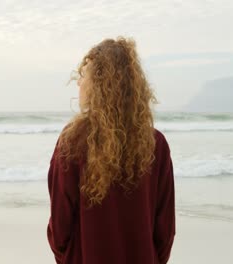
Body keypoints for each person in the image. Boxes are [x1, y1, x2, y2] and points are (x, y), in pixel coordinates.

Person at [46, 36, 176, 264]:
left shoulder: (73, 141)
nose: (78, 82)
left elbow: (60, 228)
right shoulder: (157, 145)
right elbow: (164, 231)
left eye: (83, 75)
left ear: (98, 83)